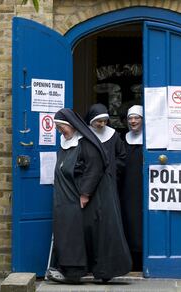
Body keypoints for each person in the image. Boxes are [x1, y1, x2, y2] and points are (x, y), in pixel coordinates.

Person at [46, 108, 131, 284]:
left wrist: (84, 193)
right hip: (69, 198)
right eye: (57, 128)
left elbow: (95, 168)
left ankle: (94, 271)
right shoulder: (66, 142)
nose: (59, 131)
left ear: (71, 125)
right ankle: (73, 270)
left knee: (94, 234)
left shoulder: (86, 143)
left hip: (88, 197)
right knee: (75, 234)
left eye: (62, 127)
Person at [120, 105, 143, 271]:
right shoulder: (122, 138)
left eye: (137, 118)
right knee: (128, 220)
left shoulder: (150, 139)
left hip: (143, 187)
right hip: (126, 188)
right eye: (130, 118)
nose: (133, 121)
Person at [85, 103, 126, 184]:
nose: (103, 124)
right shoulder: (84, 135)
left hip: (109, 179)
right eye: (99, 121)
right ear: (91, 120)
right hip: (88, 179)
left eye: (105, 121)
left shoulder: (113, 134)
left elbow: (122, 155)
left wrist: (112, 169)